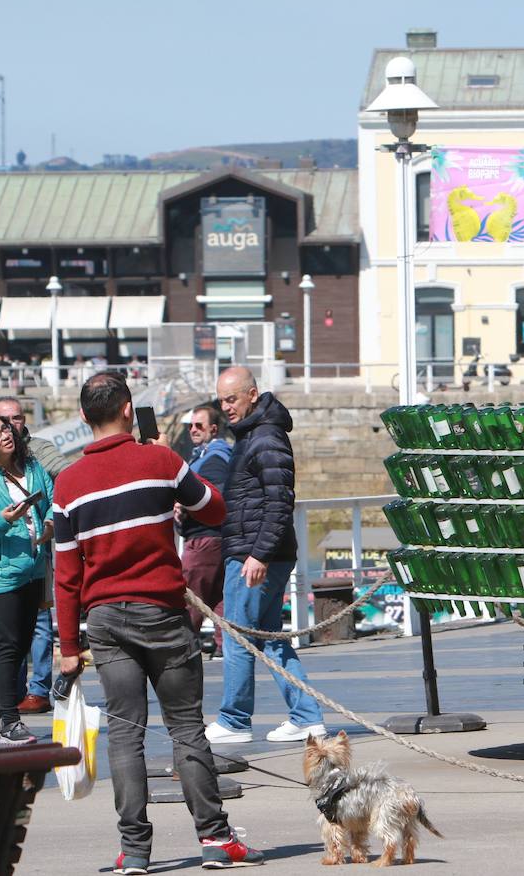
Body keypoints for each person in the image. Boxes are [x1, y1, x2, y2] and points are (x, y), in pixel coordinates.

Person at [52, 372, 263, 871]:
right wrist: (166, 467)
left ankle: (135, 851)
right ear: (129, 407)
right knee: (186, 726)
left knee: (126, 734)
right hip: (163, 614)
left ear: (84, 417)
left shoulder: (68, 484)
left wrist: (66, 646)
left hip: (103, 618)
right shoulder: (161, 460)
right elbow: (215, 508)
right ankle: (214, 838)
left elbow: (65, 575)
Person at [204, 366, 325, 745]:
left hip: (255, 554)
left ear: (253, 394)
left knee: (239, 634)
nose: (226, 407)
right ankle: (306, 715)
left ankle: (234, 719)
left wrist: (258, 555)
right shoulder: (254, 435)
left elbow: (279, 501)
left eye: (232, 399)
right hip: (261, 550)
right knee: (271, 639)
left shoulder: (266, 437)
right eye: (222, 400)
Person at [0, 397, 71, 716]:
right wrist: (2, 520)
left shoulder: (34, 463)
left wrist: (50, 522)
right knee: (10, 646)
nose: (6, 432)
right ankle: (8, 718)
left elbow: (53, 496)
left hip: (34, 567)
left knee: (20, 642)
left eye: (8, 425)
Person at [179, 406, 232, 656]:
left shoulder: (213, 459)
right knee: (219, 598)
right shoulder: (211, 455)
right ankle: (226, 647)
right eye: (191, 425)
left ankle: (184, 648)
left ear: (213, 428)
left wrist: (184, 505)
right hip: (219, 538)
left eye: (199, 425)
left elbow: (214, 493)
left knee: (190, 597)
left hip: (203, 538)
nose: (193, 430)